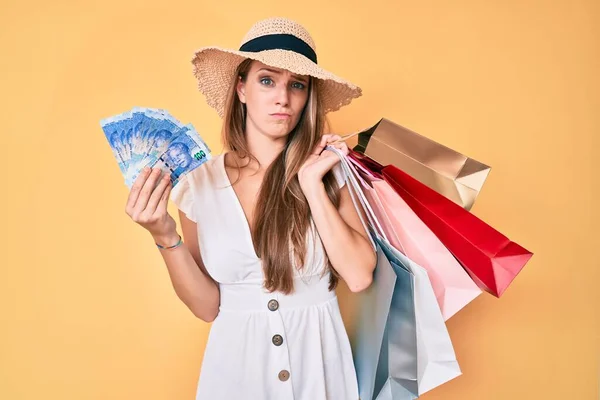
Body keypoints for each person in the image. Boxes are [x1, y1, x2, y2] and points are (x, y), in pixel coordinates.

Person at [124, 17, 376, 400]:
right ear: (241, 88)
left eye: (297, 85)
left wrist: (311, 185)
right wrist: (164, 235)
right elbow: (208, 307)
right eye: (266, 80)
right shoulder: (198, 184)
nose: (283, 98)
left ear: (308, 96)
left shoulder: (329, 172)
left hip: (318, 368)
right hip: (236, 371)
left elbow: (359, 277)